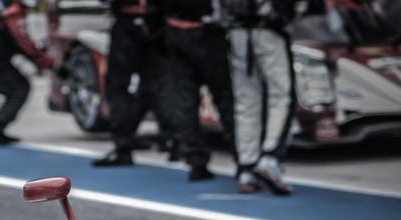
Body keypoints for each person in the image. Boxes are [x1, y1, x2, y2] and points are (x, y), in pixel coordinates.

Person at [92, 0, 178, 166]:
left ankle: (123, 145)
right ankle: (175, 141)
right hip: (158, 25)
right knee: (158, 85)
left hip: (132, 21)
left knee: (119, 87)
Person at [227, 0, 296, 194]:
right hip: (268, 30)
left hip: (236, 32)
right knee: (282, 97)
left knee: (246, 101)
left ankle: (246, 168)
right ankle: (270, 159)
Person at [164, 0, 236, 181]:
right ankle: (244, 160)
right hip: (205, 31)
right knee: (225, 98)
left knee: (184, 100)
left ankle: (196, 160)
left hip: (177, 28)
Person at [0, 0, 55, 145]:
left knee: (18, 88)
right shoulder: (12, 11)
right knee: (19, 89)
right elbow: (22, 41)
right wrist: (45, 61)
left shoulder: (9, 6)